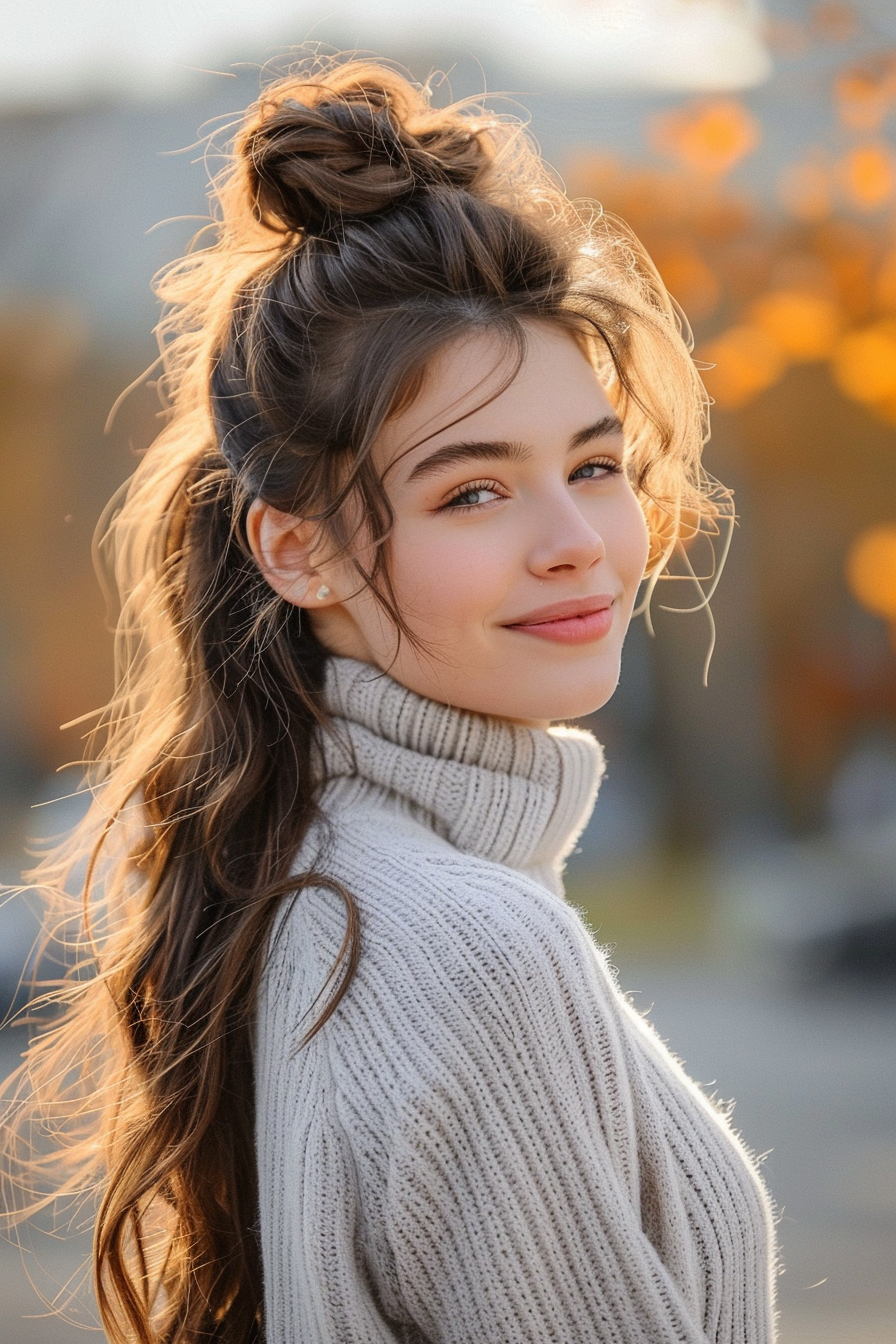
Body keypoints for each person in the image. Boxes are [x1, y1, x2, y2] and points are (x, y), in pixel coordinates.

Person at [2, 56, 776, 1343]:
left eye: (593, 465)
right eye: (472, 490)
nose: (578, 539)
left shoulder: (308, 874)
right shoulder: (463, 946)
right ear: (295, 550)